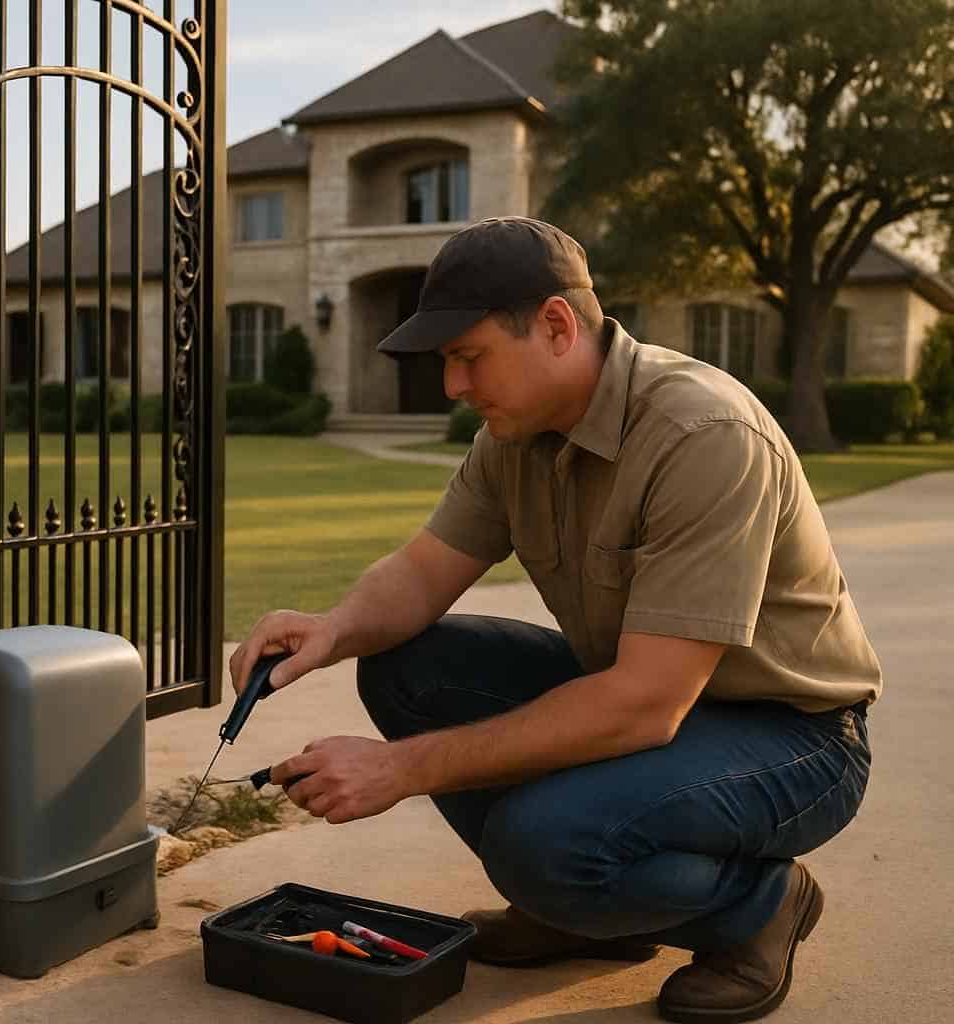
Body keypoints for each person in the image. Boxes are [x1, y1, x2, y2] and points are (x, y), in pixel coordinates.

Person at [228, 217, 879, 1024]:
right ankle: (584, 916)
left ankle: (761, 906)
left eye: (468, 357)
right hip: (656, 704)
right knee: (406, 664)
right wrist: (333, 627)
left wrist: (402, 769)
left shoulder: (704, 435)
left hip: (794, 737)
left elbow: (647, 703)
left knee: (544, 843)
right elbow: (423, 571)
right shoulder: (516, 433)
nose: (453, 387)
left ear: (557, 326)